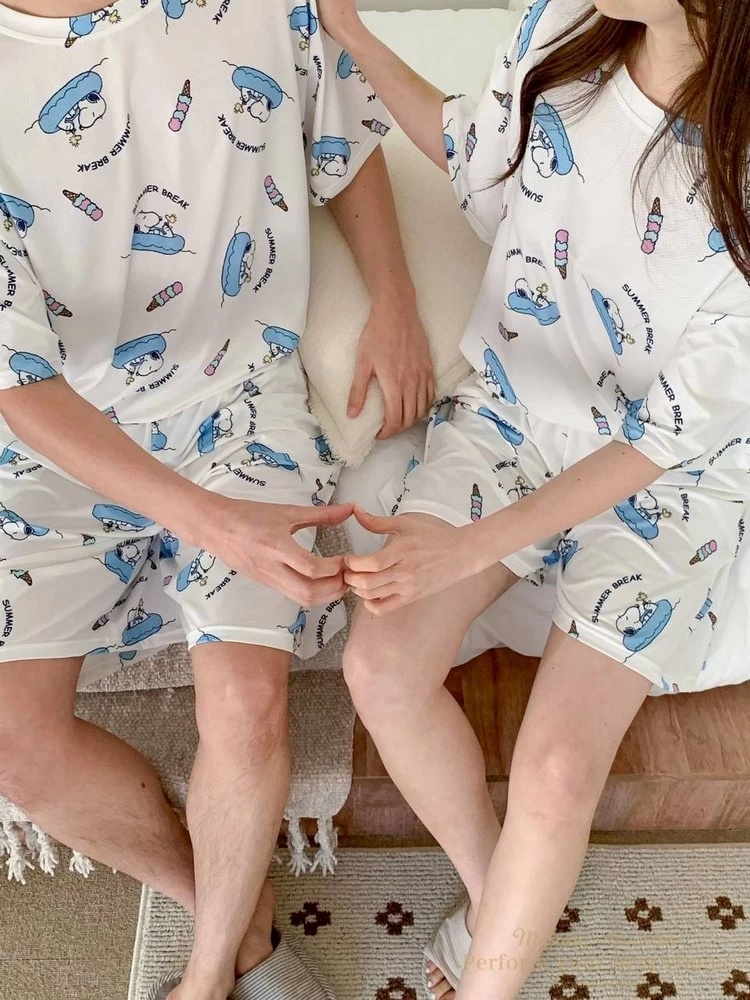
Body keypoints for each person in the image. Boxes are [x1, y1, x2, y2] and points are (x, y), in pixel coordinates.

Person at [315, 0, 750, 997]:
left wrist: (469, 549)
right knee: (380, 666)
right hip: (513, 415)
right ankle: (496, 890)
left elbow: (667, 437)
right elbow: (473, 157)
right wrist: (359, 40)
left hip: (669, 480)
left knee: (558, 771)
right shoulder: (562, 28)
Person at [0, 0, 433, 997]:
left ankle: (203, 979)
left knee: (245, 697)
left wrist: (396, 302)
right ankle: (231, 915)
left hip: (239, 401)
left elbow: (343, 134)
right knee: (14, 743)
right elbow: (18, 387)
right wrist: (207, 522)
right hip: (63, 429)